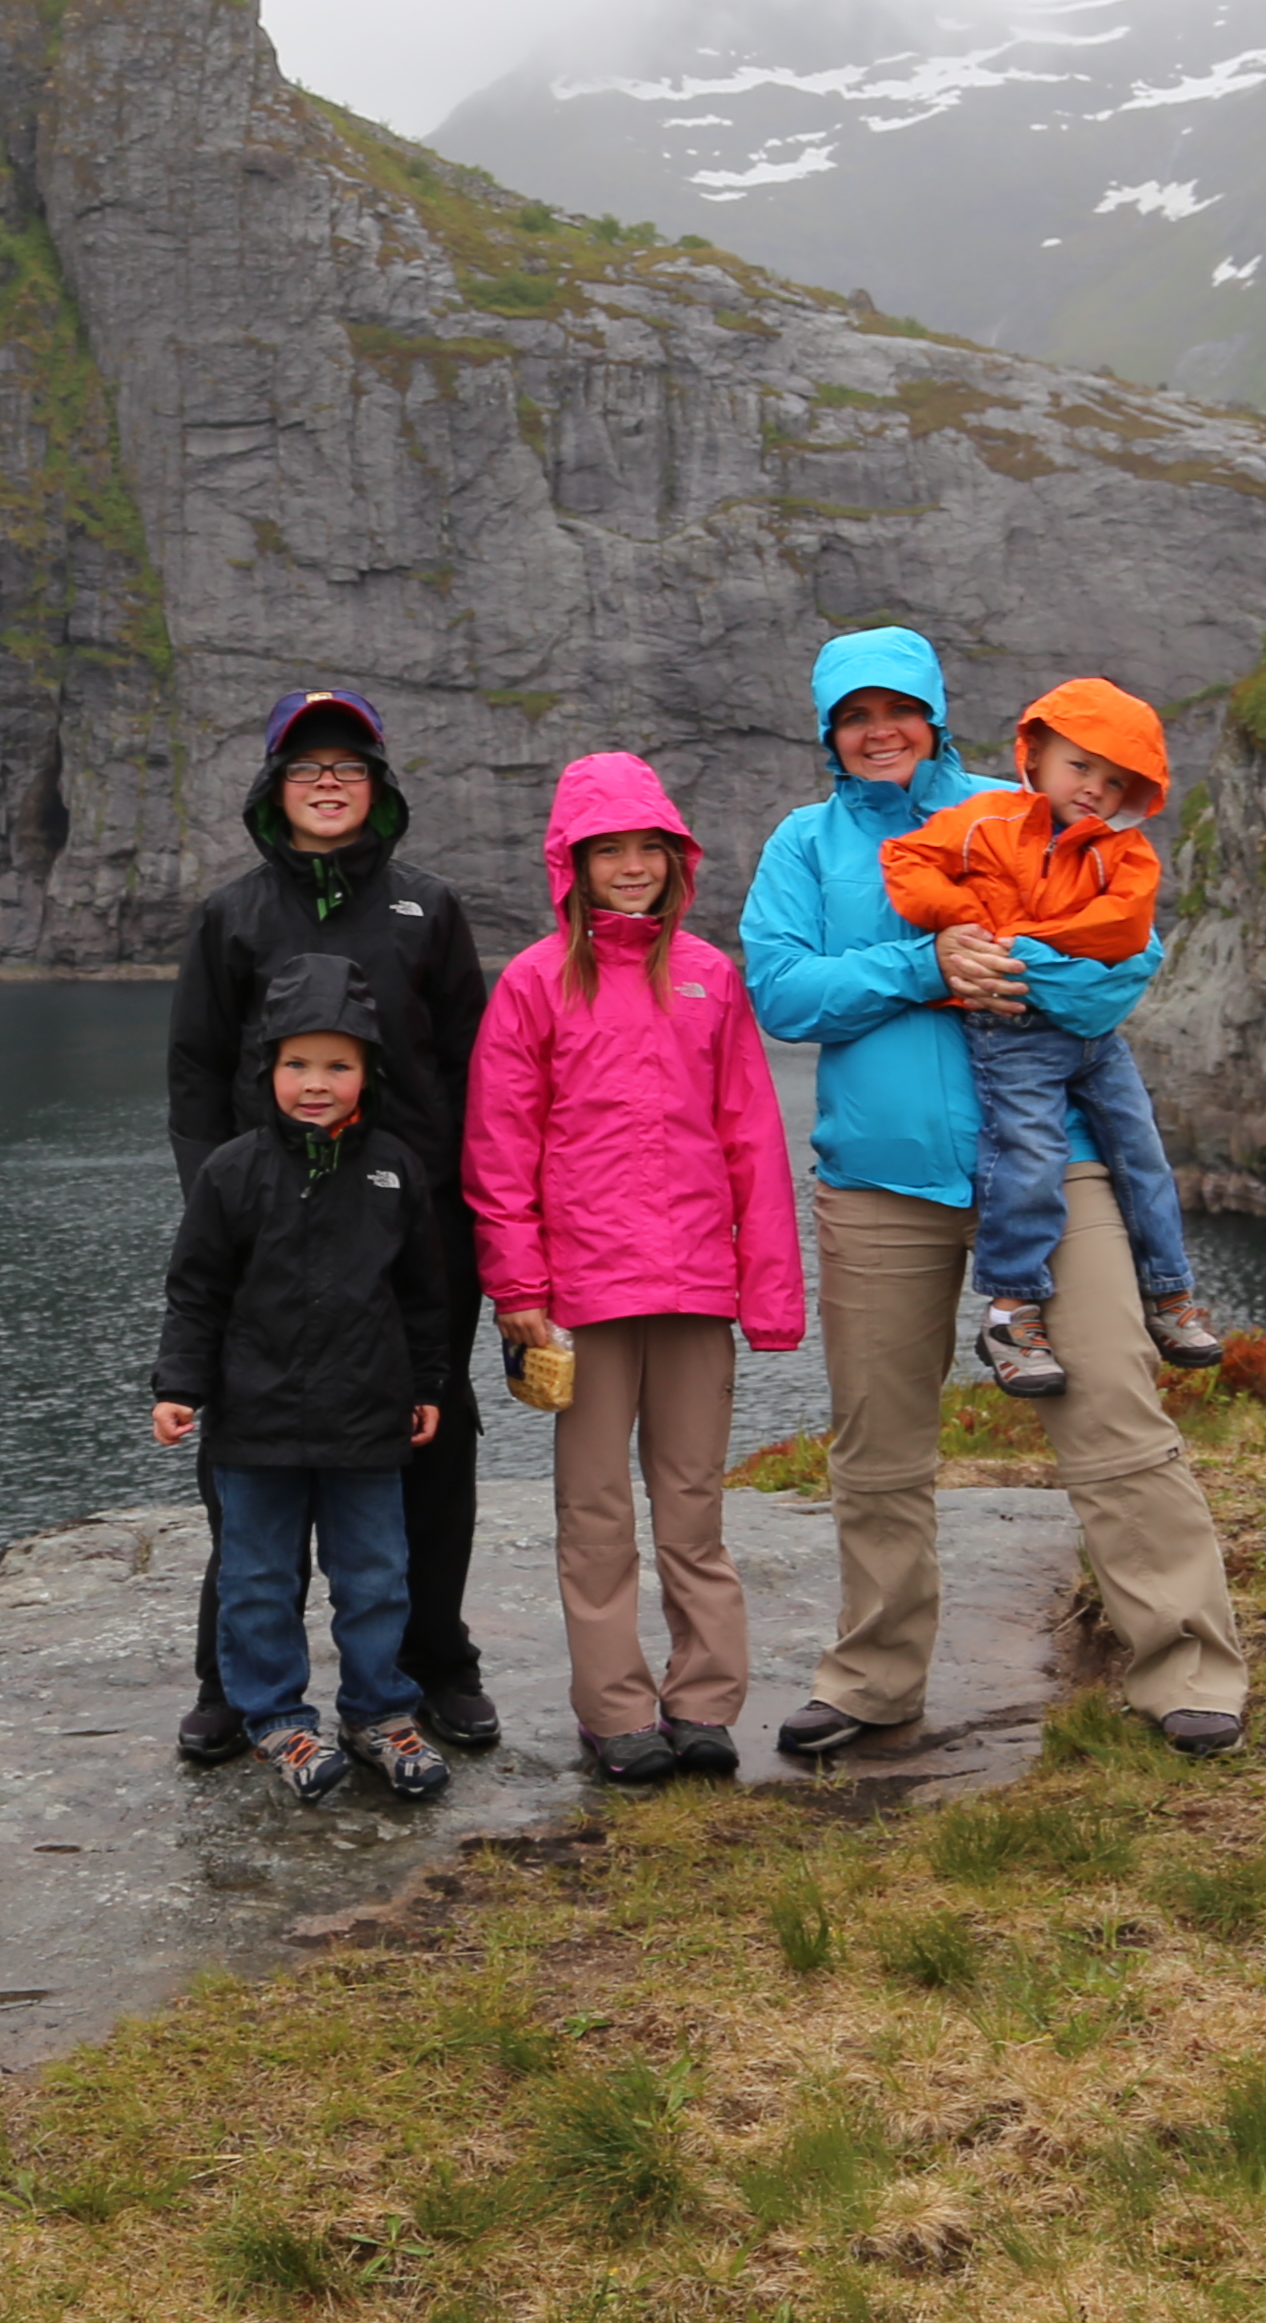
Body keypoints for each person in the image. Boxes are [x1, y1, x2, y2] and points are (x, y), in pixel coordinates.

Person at [737, 625, 1251, 1760]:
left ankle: (1187, 1667)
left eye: (899, 711)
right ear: (830, 732)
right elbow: (780, 989)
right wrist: (925, 966)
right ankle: (874, 1678)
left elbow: (1131, 961)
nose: (881, 732)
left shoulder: (1016, 805)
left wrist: (1009, 959)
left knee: (1114, 1405)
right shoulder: (805, 844)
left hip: (1053, 1160)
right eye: (855, 716)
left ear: (936, 716)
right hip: (877, 1180)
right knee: (878, 1445)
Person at [162, 692, 500, 1756]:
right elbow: (196, 1075)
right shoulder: (231, 917)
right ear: (274, 787)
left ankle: (436, 1665)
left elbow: (471, 1065)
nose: (326, 782)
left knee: (430, 1442)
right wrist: (224, 1205)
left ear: (379, 786)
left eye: (348, 766)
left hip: (416, 1230)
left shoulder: (428, 910)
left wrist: (454, 1210)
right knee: (248, 1443)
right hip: (269, 1231)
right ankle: (231, 1682)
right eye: (305, 766)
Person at [461, 749, 806, 1784]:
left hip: (695, 1288)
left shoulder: (710, 977)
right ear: (572, 864)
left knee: (693, 1505)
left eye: (645, 848)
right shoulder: (534, 983)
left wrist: (772, 1294)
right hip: (585, 1295)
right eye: (604, 850)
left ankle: (701, 1706)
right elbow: (499, 1146)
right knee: (598, 1513)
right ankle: (615, 1711)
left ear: (674, 856)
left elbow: (752, 1140)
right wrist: (517, 1288)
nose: (628, 867)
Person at [155, 951, 459, 1802]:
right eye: (296, 1063)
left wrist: (428, 1385)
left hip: (368, 1420)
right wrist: (179, 1386)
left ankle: (378, 1713)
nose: (315, 1083)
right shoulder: (231, 1171)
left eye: (338, 1064)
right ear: (267, 1069)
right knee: (257, 1579)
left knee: (375, 1576)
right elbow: (197, 1292)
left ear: (369, 1072)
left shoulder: (395, 1171)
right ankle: (275, 1720)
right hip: (251, 1423)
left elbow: (423, 1297)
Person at [880, 677, 1232, 1383]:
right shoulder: (986, 820)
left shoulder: (1126, 853)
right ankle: (1013, 1312)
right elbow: (906, 860)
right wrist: (959, 916)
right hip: (1010, 1031)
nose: (1095, 789)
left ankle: (1169, 1292)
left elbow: (1124, 929)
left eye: (1115, 779)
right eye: (1079, 766)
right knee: (1030, 1156)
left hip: (1094, 1039)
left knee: (1143, 1153)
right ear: (1033, 755)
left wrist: (1013, 941)